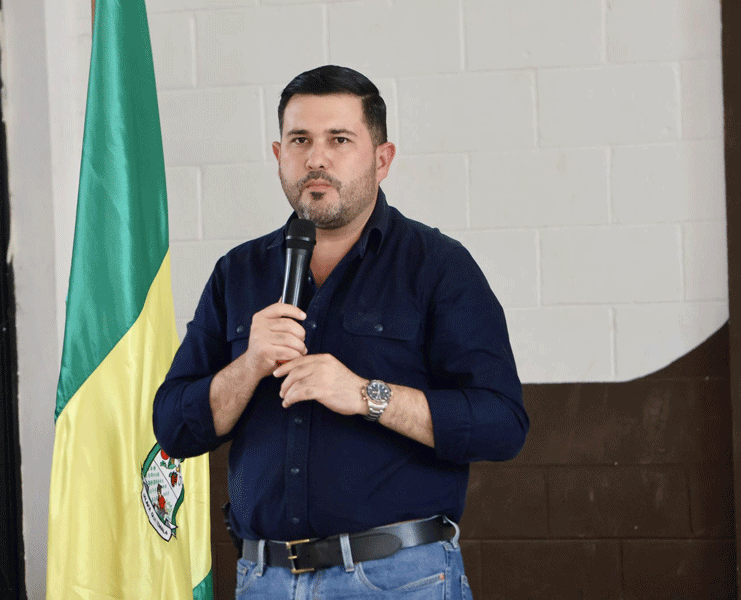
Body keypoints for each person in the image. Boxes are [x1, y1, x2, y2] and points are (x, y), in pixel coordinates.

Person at [153, 65, 528, 599]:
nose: (316, 158)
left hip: (399, 580)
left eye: (339, 140)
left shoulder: (438, 266)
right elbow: (174, 428)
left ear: (382, 159)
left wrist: (366, 395)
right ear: (278, 154)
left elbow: (502, 424)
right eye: (299, 140)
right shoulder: (238, 273)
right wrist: (249, 365)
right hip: (265, 580)